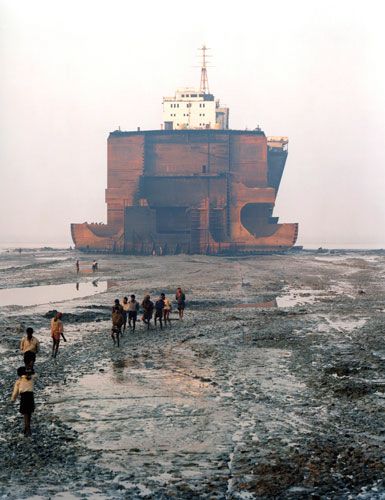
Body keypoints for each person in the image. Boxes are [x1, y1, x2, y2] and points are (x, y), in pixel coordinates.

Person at [11, 360, 37, 436]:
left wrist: (13, 399)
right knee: (29, 412)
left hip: (24, 397)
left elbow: (15, 391)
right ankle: (27, 427)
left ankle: (27, 427)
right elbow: (36, 375)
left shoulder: (18, 381)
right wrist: (30, 369)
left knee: (25, 412)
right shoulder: (32, 378)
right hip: (30, 396)